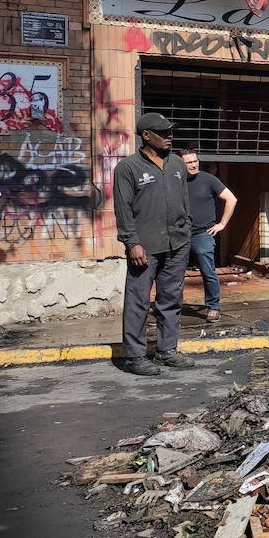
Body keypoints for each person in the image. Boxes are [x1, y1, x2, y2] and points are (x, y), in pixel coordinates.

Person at [114, 112, 195, 377]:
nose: (170, 137)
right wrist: (132, 242)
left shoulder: (177, 165)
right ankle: (135, 357)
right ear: (146, 135)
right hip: (145, 246)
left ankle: (166, 351)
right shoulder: (128, 168)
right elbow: (123, 208)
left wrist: (187, 231)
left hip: (177, 243)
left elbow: (184, 200)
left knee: (171, 298)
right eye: (164, 133)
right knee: (138, 300)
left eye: (171, 132)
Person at [181, 150, 237, 323]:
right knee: (173, 274)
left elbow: (231, 199)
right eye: (189, 162)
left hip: (203, 234)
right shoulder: (177, 181)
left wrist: (221, 224)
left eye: (195, 161)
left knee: (208, 272)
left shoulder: (207, 179)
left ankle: (213, 307)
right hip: (180, 235)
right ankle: (172, 308)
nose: (193, 164)